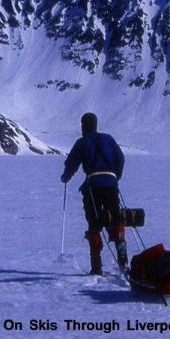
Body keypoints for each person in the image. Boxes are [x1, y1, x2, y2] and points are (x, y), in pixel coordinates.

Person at [60, 112, 128, 275]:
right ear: (96, 124)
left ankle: (96, 267)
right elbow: (121, 159)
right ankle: (122, 258)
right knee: (115, 218)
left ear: (83, 125)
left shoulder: (82, 142)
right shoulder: (109, 139)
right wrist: (114, 177)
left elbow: (71, 164)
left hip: (93, 185)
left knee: (94, 224)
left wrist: (65, 178)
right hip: (111, 184)